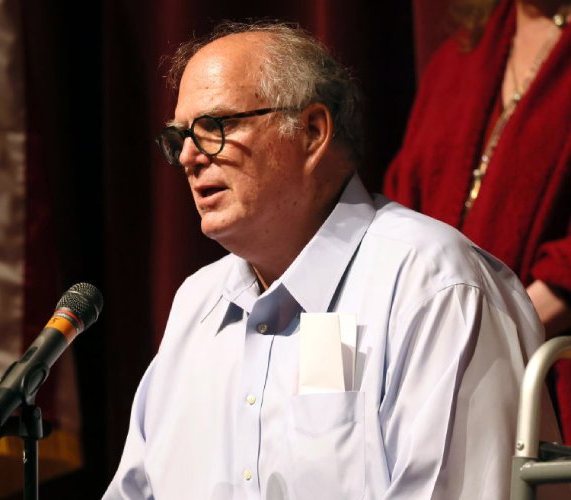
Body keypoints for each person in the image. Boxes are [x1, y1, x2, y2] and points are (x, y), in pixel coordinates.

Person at [104, 22, 558, 499]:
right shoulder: (198, 304)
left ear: (313, 132)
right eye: (181, 138)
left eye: (217, 126)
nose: (191, 157)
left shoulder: (432, 285)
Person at [383, 0, 571, 440]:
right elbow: (404, 200)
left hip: (547, 369)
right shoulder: (462, 54)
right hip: (438, 366)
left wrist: (496, 330)